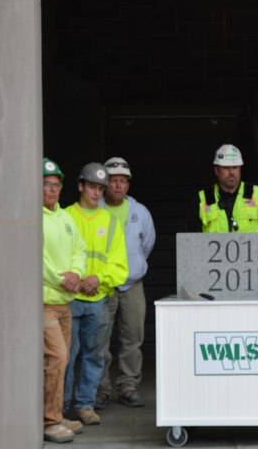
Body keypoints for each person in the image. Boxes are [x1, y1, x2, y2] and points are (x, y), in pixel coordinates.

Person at [63, 162, 129, 426]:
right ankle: (61, 406)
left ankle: (85, 405)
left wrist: (98, 278)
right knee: (65, 356)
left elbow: (119, 264)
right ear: (80, 186)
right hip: (68, 298)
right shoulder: (65, 216)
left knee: (94, 354)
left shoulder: (111, 222)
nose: (96, 193)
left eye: (100, 189)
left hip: (98, 299)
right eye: (92, 187)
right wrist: (75, 280)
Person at [95, 157, 156, 409]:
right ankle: (100, 388)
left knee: (133, 338)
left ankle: (128, 385)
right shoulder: (95, 209)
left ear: (128, 184)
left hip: (132, 284)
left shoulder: (139, 212)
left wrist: (133, 267)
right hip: (102, 286)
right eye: (113, 181)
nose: (118, 186)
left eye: (123, 181)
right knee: (100, 339)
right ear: (105, 183)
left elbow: (147, 244)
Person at [41, 158, 86, 443]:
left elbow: (80, 249)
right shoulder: (35, 218)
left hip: (64, 303)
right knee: (57, 358)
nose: (53, 190)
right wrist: (62, 278)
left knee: (63, 359)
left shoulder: (65, 217)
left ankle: (55, 414)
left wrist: (76, 273)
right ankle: (49, 421)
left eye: (56, 185)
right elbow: (38, 259)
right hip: (45, 302)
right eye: (47, 185)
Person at [191, 143, 258, 232]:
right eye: (226, 168)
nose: (231, 172)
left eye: (235, 167)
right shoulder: (203, 198)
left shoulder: (257, 194)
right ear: (216, 170)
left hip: (254, 249)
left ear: (240, 169)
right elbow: (189, 238)